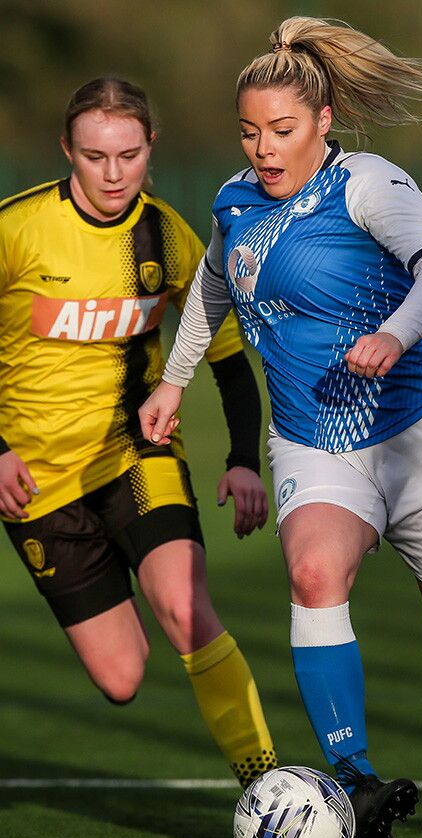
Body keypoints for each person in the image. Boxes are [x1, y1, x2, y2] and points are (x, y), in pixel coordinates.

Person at [140, 17, 422, 838]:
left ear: (324, 121)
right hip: (313, 438)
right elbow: (211, 290)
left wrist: (397, 333)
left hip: (419, 432)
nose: (263, 148)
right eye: (249, 131)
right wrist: (172, 379)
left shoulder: (367, 183)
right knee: (312, 571)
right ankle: (355, 782)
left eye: (281, 130)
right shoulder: (235, 200)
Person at [0, 76, 278, 789]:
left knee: (187, 609)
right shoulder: (16, 230)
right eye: (96, 156)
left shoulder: (166, 236)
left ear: (150, 146)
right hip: (35, 483)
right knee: (121, 677)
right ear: (68, 149)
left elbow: (229, 364)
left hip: (135, 454)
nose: (114, 173)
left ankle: (270, 788)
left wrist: (244, 459)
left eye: (129, 155)